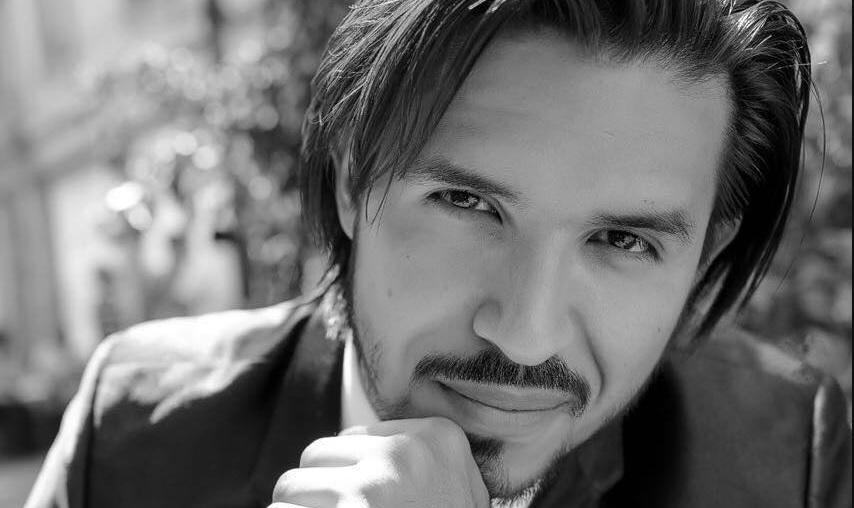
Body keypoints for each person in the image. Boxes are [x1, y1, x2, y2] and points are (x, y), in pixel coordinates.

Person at [26, 1, 852, 507]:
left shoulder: (778, 457)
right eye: (468, 204)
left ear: (708, 251)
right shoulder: (134, 436)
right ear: (352, 180)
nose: (524, 334)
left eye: (622, 240)